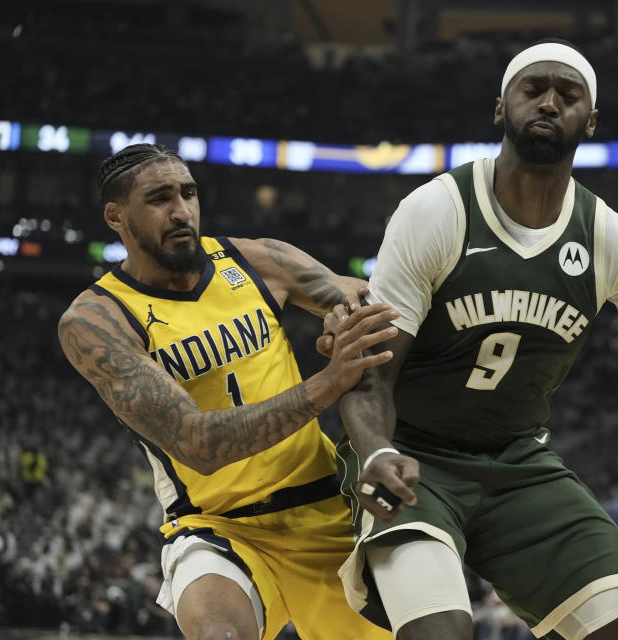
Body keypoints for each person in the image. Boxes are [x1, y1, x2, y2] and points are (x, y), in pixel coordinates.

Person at [322, 39, 618, 640]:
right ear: (500, 107)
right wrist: (375, 451)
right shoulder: (436, 210)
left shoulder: (617, 242)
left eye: (568, 94)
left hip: (519, 464)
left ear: (590, 120)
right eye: (533, 89)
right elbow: (370, 370)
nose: (549, 102)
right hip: (411, 457)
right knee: (441, 632)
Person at [58, 143, 396, 640]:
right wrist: (329, 380)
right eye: (159, 199)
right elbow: (199, 445)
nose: (181, 211)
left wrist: (345, 323)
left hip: (324, 509)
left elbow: (368, 305)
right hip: (218, 527)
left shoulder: (258, 259)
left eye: (188, 193)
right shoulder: (97, 320)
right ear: (116, 216)